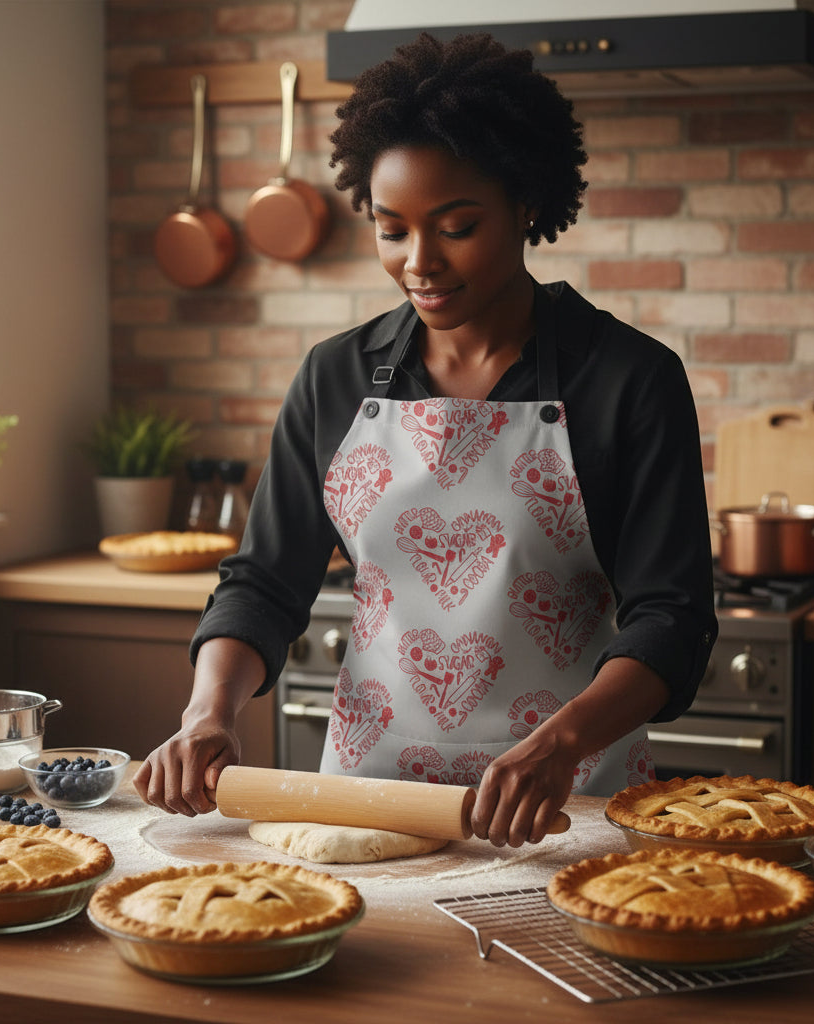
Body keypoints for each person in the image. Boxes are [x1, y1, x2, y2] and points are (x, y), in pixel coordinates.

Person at [134, 32, 718, 848]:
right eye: (392, 229)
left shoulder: (626, 379)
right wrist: (209, 712)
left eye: (455, 226)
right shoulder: (333, 379)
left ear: (525, 204)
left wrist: (557, 747)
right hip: (367, 799)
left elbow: (672, 620)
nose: (420, 263)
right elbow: (264, 584)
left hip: (563, 800)